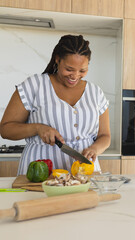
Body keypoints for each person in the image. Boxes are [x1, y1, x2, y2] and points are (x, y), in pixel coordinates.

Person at [0, 35, 111, 175]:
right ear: (58, 60)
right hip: (40, 173)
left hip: (84, 173)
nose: (75, 76)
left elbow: (105, 136)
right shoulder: (34, 86)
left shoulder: (96, 93)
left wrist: (95, 149)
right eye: (69, 69)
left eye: (82, 71)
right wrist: (37, 128)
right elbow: (6, 129)